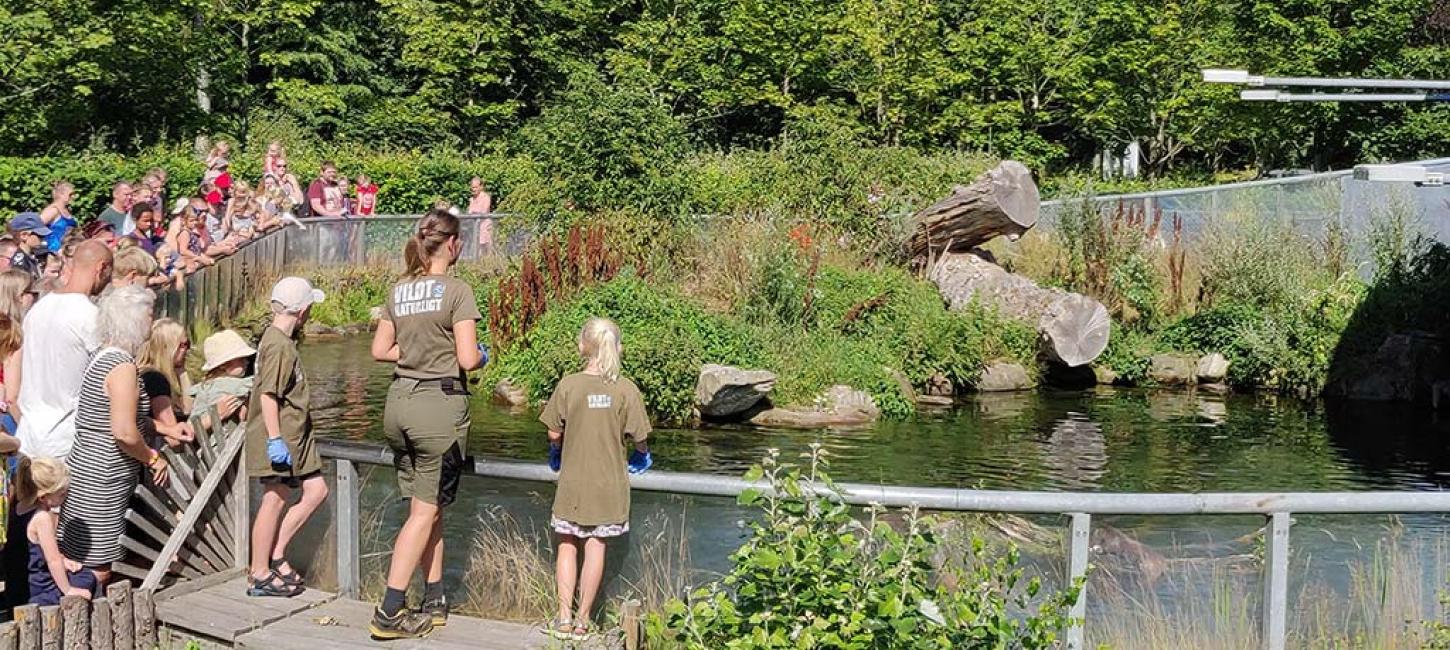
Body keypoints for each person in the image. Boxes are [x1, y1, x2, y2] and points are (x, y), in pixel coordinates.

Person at [367, 210, 485, 639]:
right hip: (437, 410)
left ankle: (433, 598)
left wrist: (419, 354)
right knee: (423, 514)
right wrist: (479, 356)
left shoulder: (399, 289)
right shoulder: (457, 290)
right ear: (451, 244)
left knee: (427, 508)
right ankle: (389, 612)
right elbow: (469, 358)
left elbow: (381, 350)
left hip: (398, 405)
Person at [540, 317, 653, 641]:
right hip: (608, 486)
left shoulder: (568, 385)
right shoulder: (625, 388)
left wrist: (556, 451)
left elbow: (552, 431)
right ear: (618, 348)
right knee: (595, 547)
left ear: (581, 347)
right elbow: (639, 436)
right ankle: (582, 621)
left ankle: (562, 618)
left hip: (572, 483)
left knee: (566, 546)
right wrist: (641, 455)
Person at [58, 285, 168, 582]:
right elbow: (123, 431)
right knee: (97, 562)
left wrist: (165, 429)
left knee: (79, 553)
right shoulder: (121, 366)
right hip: (103, 470)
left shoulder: (101, 354)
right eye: (149, 314)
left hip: (87, 461)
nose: (152, 321)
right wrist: (152, 458)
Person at [247, 277, 328, 598]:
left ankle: (277, 553)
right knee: (274, 498)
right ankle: (259, 572)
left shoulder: (276, 338)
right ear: (304, 310)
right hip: (281, 434)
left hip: (296, 434)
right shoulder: (279, 345)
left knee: (316, 489)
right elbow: (269, 394)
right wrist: (274, 439)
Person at [16, 241, 112, 460]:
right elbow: (106, 377)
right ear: (101, 268)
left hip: (29, 435)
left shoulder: (38, 308)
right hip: (66, 440)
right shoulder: (90, 316)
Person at [15, 457, 100, 605]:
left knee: (80, 573)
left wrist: (64, 560)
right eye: (61, 494)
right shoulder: (42, 518)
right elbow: (52, 560)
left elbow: (38, 554)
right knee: (88, 578)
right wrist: (68, 590)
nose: (65, 497)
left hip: (18, 587)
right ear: (43, 497)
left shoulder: (18, 508)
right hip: (39, 590)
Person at [137, 319, 199, 447]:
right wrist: (218, 415)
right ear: (168, 347)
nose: (187, 349)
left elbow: (188, 409)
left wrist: (181, 371)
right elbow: (175, 437)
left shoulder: (142, 373)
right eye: (182, 345)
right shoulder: (155, 380)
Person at [189, 330, 253, 428]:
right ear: (223, 365)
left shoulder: (207, 386)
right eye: (240, 359)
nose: (246, 362)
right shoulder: (226, 385)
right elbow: (255, 383)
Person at [0, 270, 36, 435]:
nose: (35, 298)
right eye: (32, 293)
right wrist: (28, 432)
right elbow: (12, 396)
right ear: (19, 297)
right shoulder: (13, 337)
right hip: (7, 418)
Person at [38, 182, 77, 253]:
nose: (74, 197)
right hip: (54, 252)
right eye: (71, 194)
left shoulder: (66, 210)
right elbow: (35, 225)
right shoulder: (53, 210)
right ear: (61, 194)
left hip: (67, 251)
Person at [467, 177, 493, 251]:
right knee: (477, 250)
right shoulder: (472, 199)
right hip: (475, 228)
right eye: (472, 187)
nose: (473, 189)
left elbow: (483, 212)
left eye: (475, 187)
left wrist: (474, 213)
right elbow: (469, 213)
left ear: (481, 187)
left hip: (485, 227)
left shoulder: (486, 197)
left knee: (487, 249)